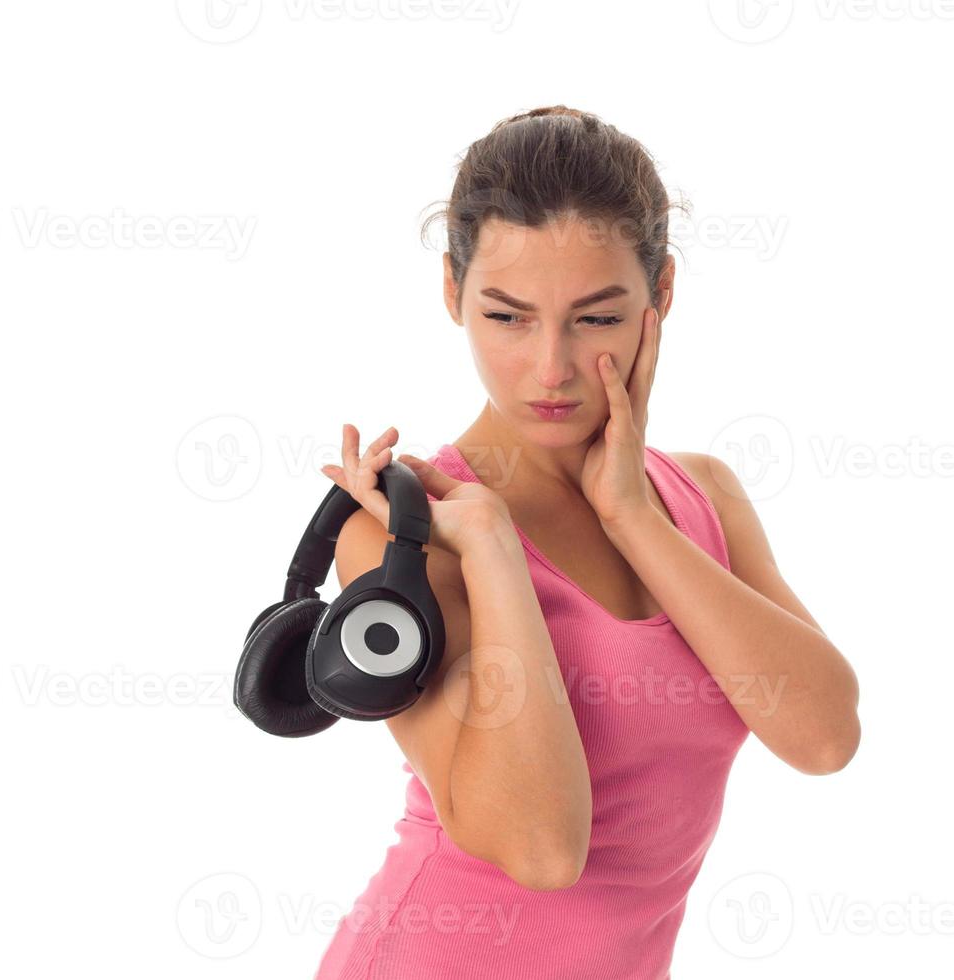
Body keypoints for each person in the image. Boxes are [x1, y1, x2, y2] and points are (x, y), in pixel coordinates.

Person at [311, 105, 861, 980]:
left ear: (661, 298)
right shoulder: (404, 532)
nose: (552, 369)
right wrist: (492, 549)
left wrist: (634, 517)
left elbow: (825, 737)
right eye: (508, 316)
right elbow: (538, 848)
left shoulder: (701, 497)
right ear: (452, 291)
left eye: (597, 319)